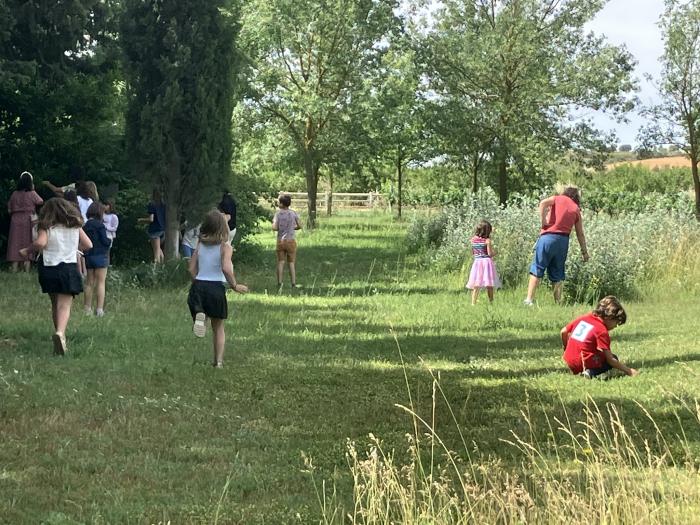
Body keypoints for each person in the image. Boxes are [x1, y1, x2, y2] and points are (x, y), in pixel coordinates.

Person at [19, 198, 92, 355]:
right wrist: (72, 247)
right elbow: (88, 245)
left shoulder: (46, 226)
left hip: (49, 268)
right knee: (64, 305)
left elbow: (40, 243)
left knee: (55, 303)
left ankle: (59, 335)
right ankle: (60, 333)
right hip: (68, 267)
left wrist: (27, 250)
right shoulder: (75, 226)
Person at [187, 210, 248, 368]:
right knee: (219, 327)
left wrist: (198, 282)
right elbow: (226, 269)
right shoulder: (224, 247)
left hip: (199, 285)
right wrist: (234, 285)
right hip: (216, 288)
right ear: (223, 228)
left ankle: (201, 317)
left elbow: (191, 269)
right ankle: (218, 362)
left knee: (200, 312)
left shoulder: (200, 244)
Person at [524, 186, 589, 305]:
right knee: (558, 272)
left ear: (566, 193)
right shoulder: (576, 209)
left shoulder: (558, 198)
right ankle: (558, 303)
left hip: (548, 237)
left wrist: (543, 221)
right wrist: (584, 252)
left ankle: (529, 300)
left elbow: (543, 203)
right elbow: (580, 234)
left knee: (537, 268)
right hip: (563, 241)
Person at [561, 295, 638, 379]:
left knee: (599, 353)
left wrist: (566, 348)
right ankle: (590, 372)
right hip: (581, 363)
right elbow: (611, 360)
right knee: (613, 357)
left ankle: (579, 368)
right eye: (616, 322)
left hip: (568, 361)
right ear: (610, 317)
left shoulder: (584, 318)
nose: (616, 326)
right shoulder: (601, 330)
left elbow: (563, 331)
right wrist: (629, 371)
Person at [7, 171, 44, 272]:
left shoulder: (14, 194)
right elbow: (40, 201)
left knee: (15, 243)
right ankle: (26, 270)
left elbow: (9, 208)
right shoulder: (32, 193)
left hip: (15, 220)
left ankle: (14, 269)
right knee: (28, 243)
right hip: (28, 220)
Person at [82, 202, 112, 317]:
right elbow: (104, 241)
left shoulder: (86, 226)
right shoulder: (100, 226)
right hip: (100, 255)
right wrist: (109, 242)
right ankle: (99, 310)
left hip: (89, 255)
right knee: (100, 282)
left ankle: (87, 308)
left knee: (89, 283)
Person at [465, 220, 501, 305]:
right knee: (489, 284)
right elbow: (490, 254)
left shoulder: (473, 240)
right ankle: (491, 302)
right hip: (486, 263)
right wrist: (496, 252)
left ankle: (473, 303)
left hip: (477, 262)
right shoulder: (487, 241)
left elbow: (473, 252)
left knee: (476, 284)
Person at [272, 194, 302, 289]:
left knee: (281, 262)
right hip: (291, 241)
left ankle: (279, 283)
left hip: (281, 241)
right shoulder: (293, 213)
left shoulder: (278, 214)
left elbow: (274, 227)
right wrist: (293, 228)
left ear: (281, 204)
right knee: (291, 263)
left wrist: (277, 227)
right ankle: (293, 283)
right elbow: (300, 225)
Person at [138, 189, 166, 263]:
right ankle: (163, 267)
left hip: (155, 230)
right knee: (159, 249)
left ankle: (156, 270)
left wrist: (141, 220)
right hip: (163, 229)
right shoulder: (163, 205)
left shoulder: (152, 204)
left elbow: (151, 219)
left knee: (156, 253)